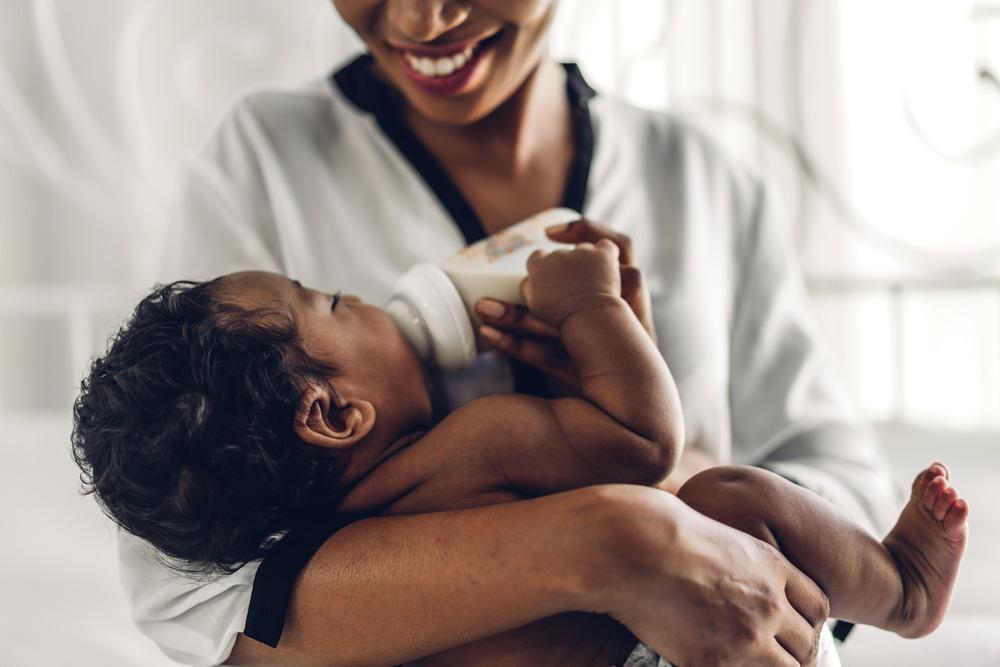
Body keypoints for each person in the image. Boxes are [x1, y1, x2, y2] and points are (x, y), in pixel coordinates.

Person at [116, 1, 901, 665]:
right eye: (333, 298)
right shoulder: (264, 157)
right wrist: (614, 540)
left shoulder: (697, 176)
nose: (426, 19)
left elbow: (852, 488)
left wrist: (690, 500)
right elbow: (188, 582)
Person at [81, 248, 966, 667]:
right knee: (726, 495)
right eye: (335, 300)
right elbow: (647, 445)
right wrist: (596, 314)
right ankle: (905, 589)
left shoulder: (326, 560)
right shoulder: (474, 444)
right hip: (665, 651)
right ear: (339, 411)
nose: (365, 300)